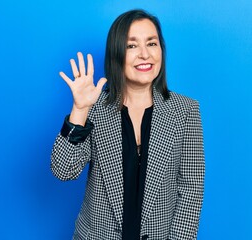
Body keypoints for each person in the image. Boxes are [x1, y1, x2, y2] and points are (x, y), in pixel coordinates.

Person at [51, 9, 205, 240]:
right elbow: (64, 170)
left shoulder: (185, 110)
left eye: (151, 43)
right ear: (116, 53)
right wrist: (80, 109)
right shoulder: (94, 107)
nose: (145, 54)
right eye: (131, 46)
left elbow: (191, 189)